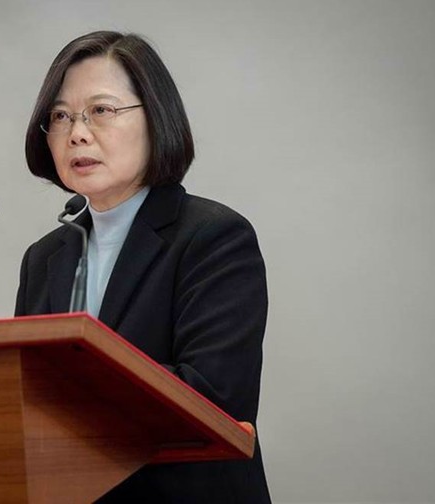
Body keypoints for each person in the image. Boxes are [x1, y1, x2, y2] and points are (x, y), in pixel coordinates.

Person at [15, 31, 271, 503]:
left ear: (155, 118)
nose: (77, 133)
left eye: (101, 110)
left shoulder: (213, 237)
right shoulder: (45, 257)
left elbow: (214, 398)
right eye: (61, 116)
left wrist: (71, 406)